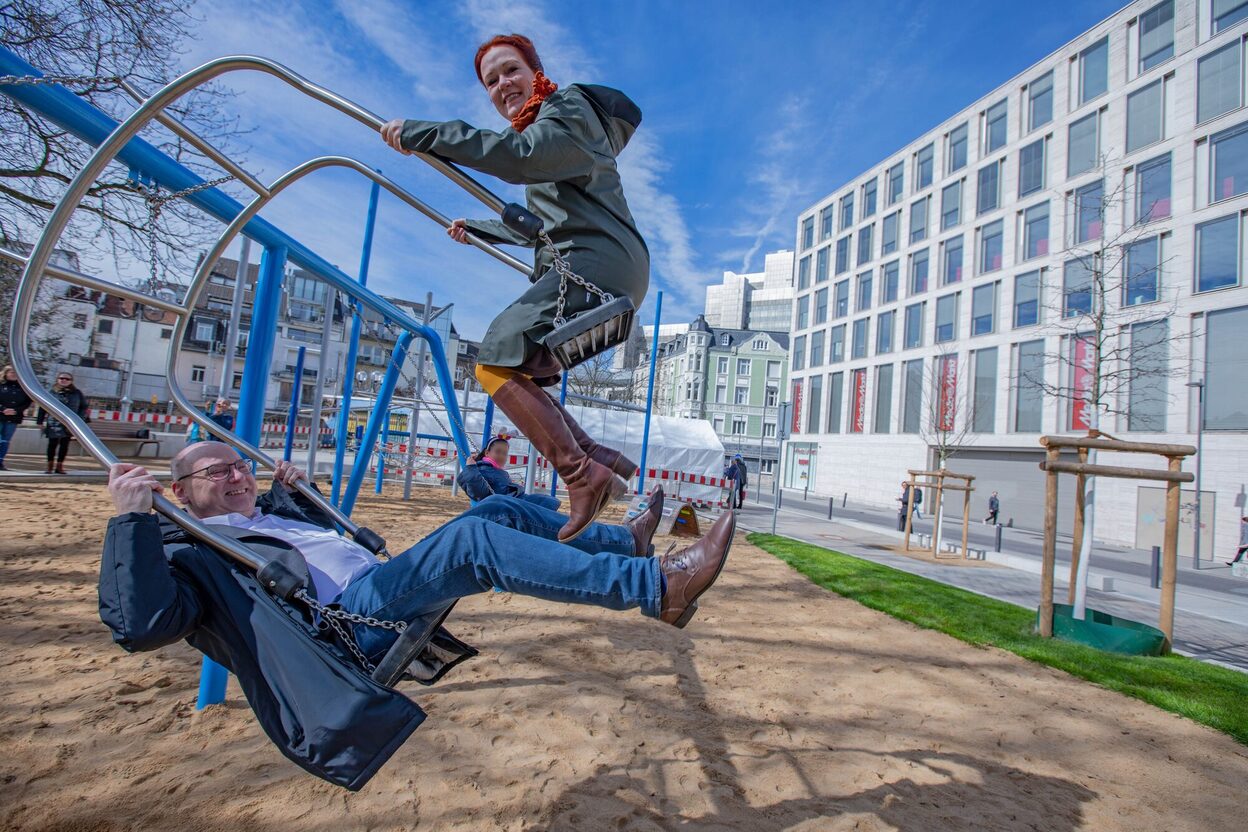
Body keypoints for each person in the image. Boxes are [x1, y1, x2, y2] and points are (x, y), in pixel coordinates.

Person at [101, 445, 733, 781]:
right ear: (180, 491)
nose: (238, 475)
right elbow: (143, 625)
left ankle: (628, 544)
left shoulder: (264, 513)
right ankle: (657, 587)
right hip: (348, 631)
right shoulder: (185, 550)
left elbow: (320, 546)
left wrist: (296, 496)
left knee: (496, 513)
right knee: (475, 543)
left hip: (374, 585)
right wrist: (131, 521)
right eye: (219, 471)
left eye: (241, 464)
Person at [380, 33, 649, 543]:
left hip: (593, 261)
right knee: (518, 369)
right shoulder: (553, 134)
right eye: (491, 81)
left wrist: (423, 134)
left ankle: (580, 473)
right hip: (601, 259)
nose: (503, 85)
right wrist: (480, 228)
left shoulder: (566, 112)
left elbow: (519, 157)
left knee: (492, 359)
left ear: (535, 71)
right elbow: (544, 223)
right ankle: (594, 456)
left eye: (511, 71)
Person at [36, 370, 89, 474]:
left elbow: (83, 407)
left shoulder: (77, 393)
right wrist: (40, 421)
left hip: (70, 423)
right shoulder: (51, 392)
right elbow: (43, 407)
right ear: (57, 380)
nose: (64, 380)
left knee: (64, 445)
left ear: (71, 381)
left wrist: (79, 418)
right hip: (53, 422)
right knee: (52, 444)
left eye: (67, 379)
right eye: (61, 378)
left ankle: (59, 466)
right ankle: (49, 466)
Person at [0, 364, 33, 470]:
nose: (14, 374)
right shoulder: (1, 385)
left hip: (13, 417)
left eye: (16, 372)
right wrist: (3, 409)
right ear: (6, 373)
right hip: (1, 415)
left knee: (6, 440)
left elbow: (27, 402)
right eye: (12, 372)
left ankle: (0, 461)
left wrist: (16, 410)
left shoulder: (24, 387)